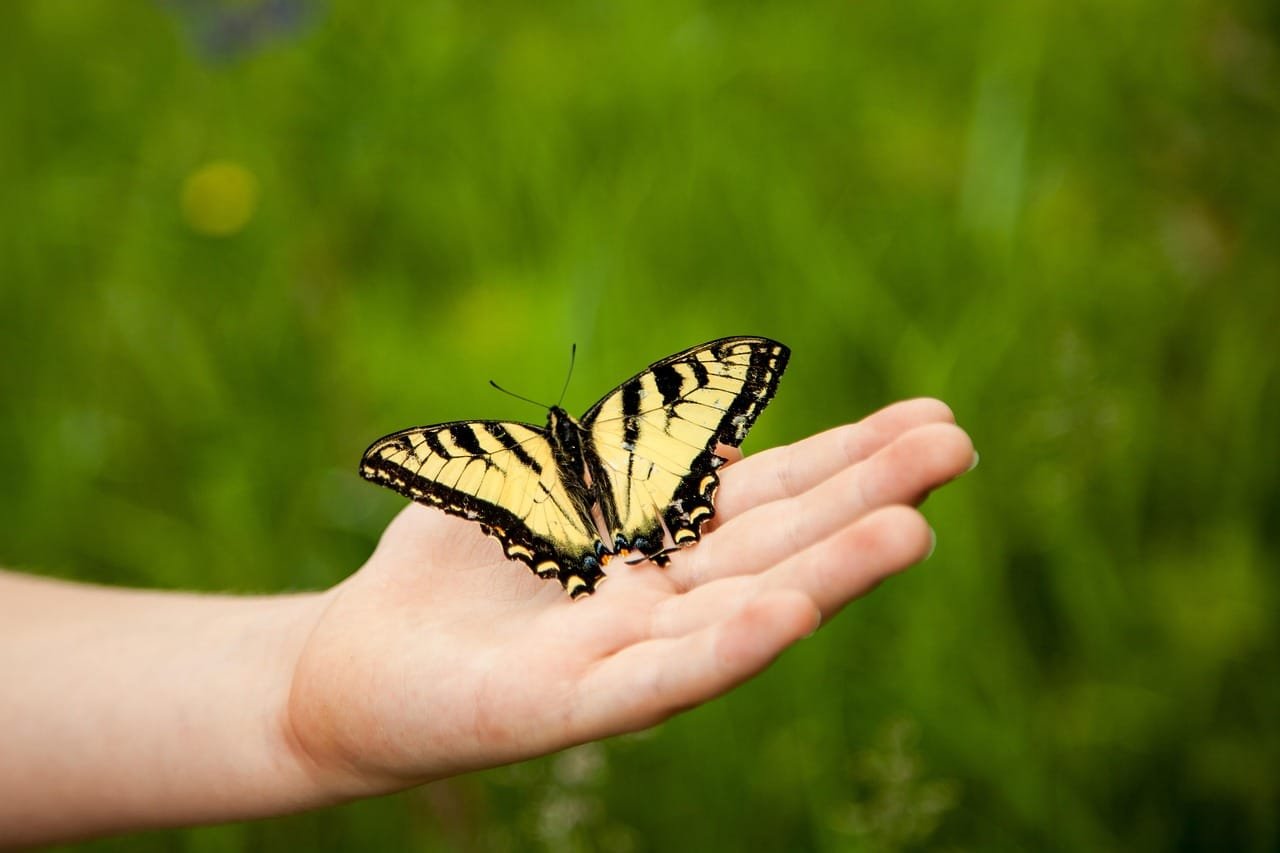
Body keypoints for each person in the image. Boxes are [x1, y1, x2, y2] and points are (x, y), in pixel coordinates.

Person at [0, 399, 974, 847]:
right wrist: (293, 692)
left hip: (579, 520)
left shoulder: (510, 450)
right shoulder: (506, 450)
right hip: (633, 502)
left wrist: (293, 674)